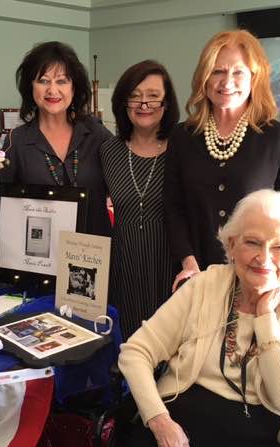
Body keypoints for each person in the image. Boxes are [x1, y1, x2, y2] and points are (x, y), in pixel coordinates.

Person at [118, 189, 280, 447]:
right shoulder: (204, 286)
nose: (263, 258)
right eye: (252, 242)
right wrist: (159, 422)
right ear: (231, 245)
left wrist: (265, 316)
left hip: (258, 434)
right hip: (179, 412)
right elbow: (135, 352)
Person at [164, 30, 280, 292]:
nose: (226, 82)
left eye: (238, 72)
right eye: (217, 71)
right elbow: (173, 207)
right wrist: (188, 262)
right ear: (204, 78)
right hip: (197, 275)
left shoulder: (275, 137)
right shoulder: (182, 136)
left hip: (258, 277)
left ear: (255, 78)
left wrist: (277, 269)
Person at [0, 41, 113, 237]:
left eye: (62, 81)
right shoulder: (15, 142)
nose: (52, 90)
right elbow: (5, 210)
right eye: (43, 80)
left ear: (74, 87)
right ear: (30, 87)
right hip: (40, 256)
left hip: (93, 254)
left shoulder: (97, 135)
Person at [101, 60, 180, 339]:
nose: (143, 103)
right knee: (130, 351)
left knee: (173, 352)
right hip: (125, 271)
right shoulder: (108, 152)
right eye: (134, 96)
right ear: (123, 102)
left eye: (153, 95)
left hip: (173, 269)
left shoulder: (183, 148)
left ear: (167, 101)